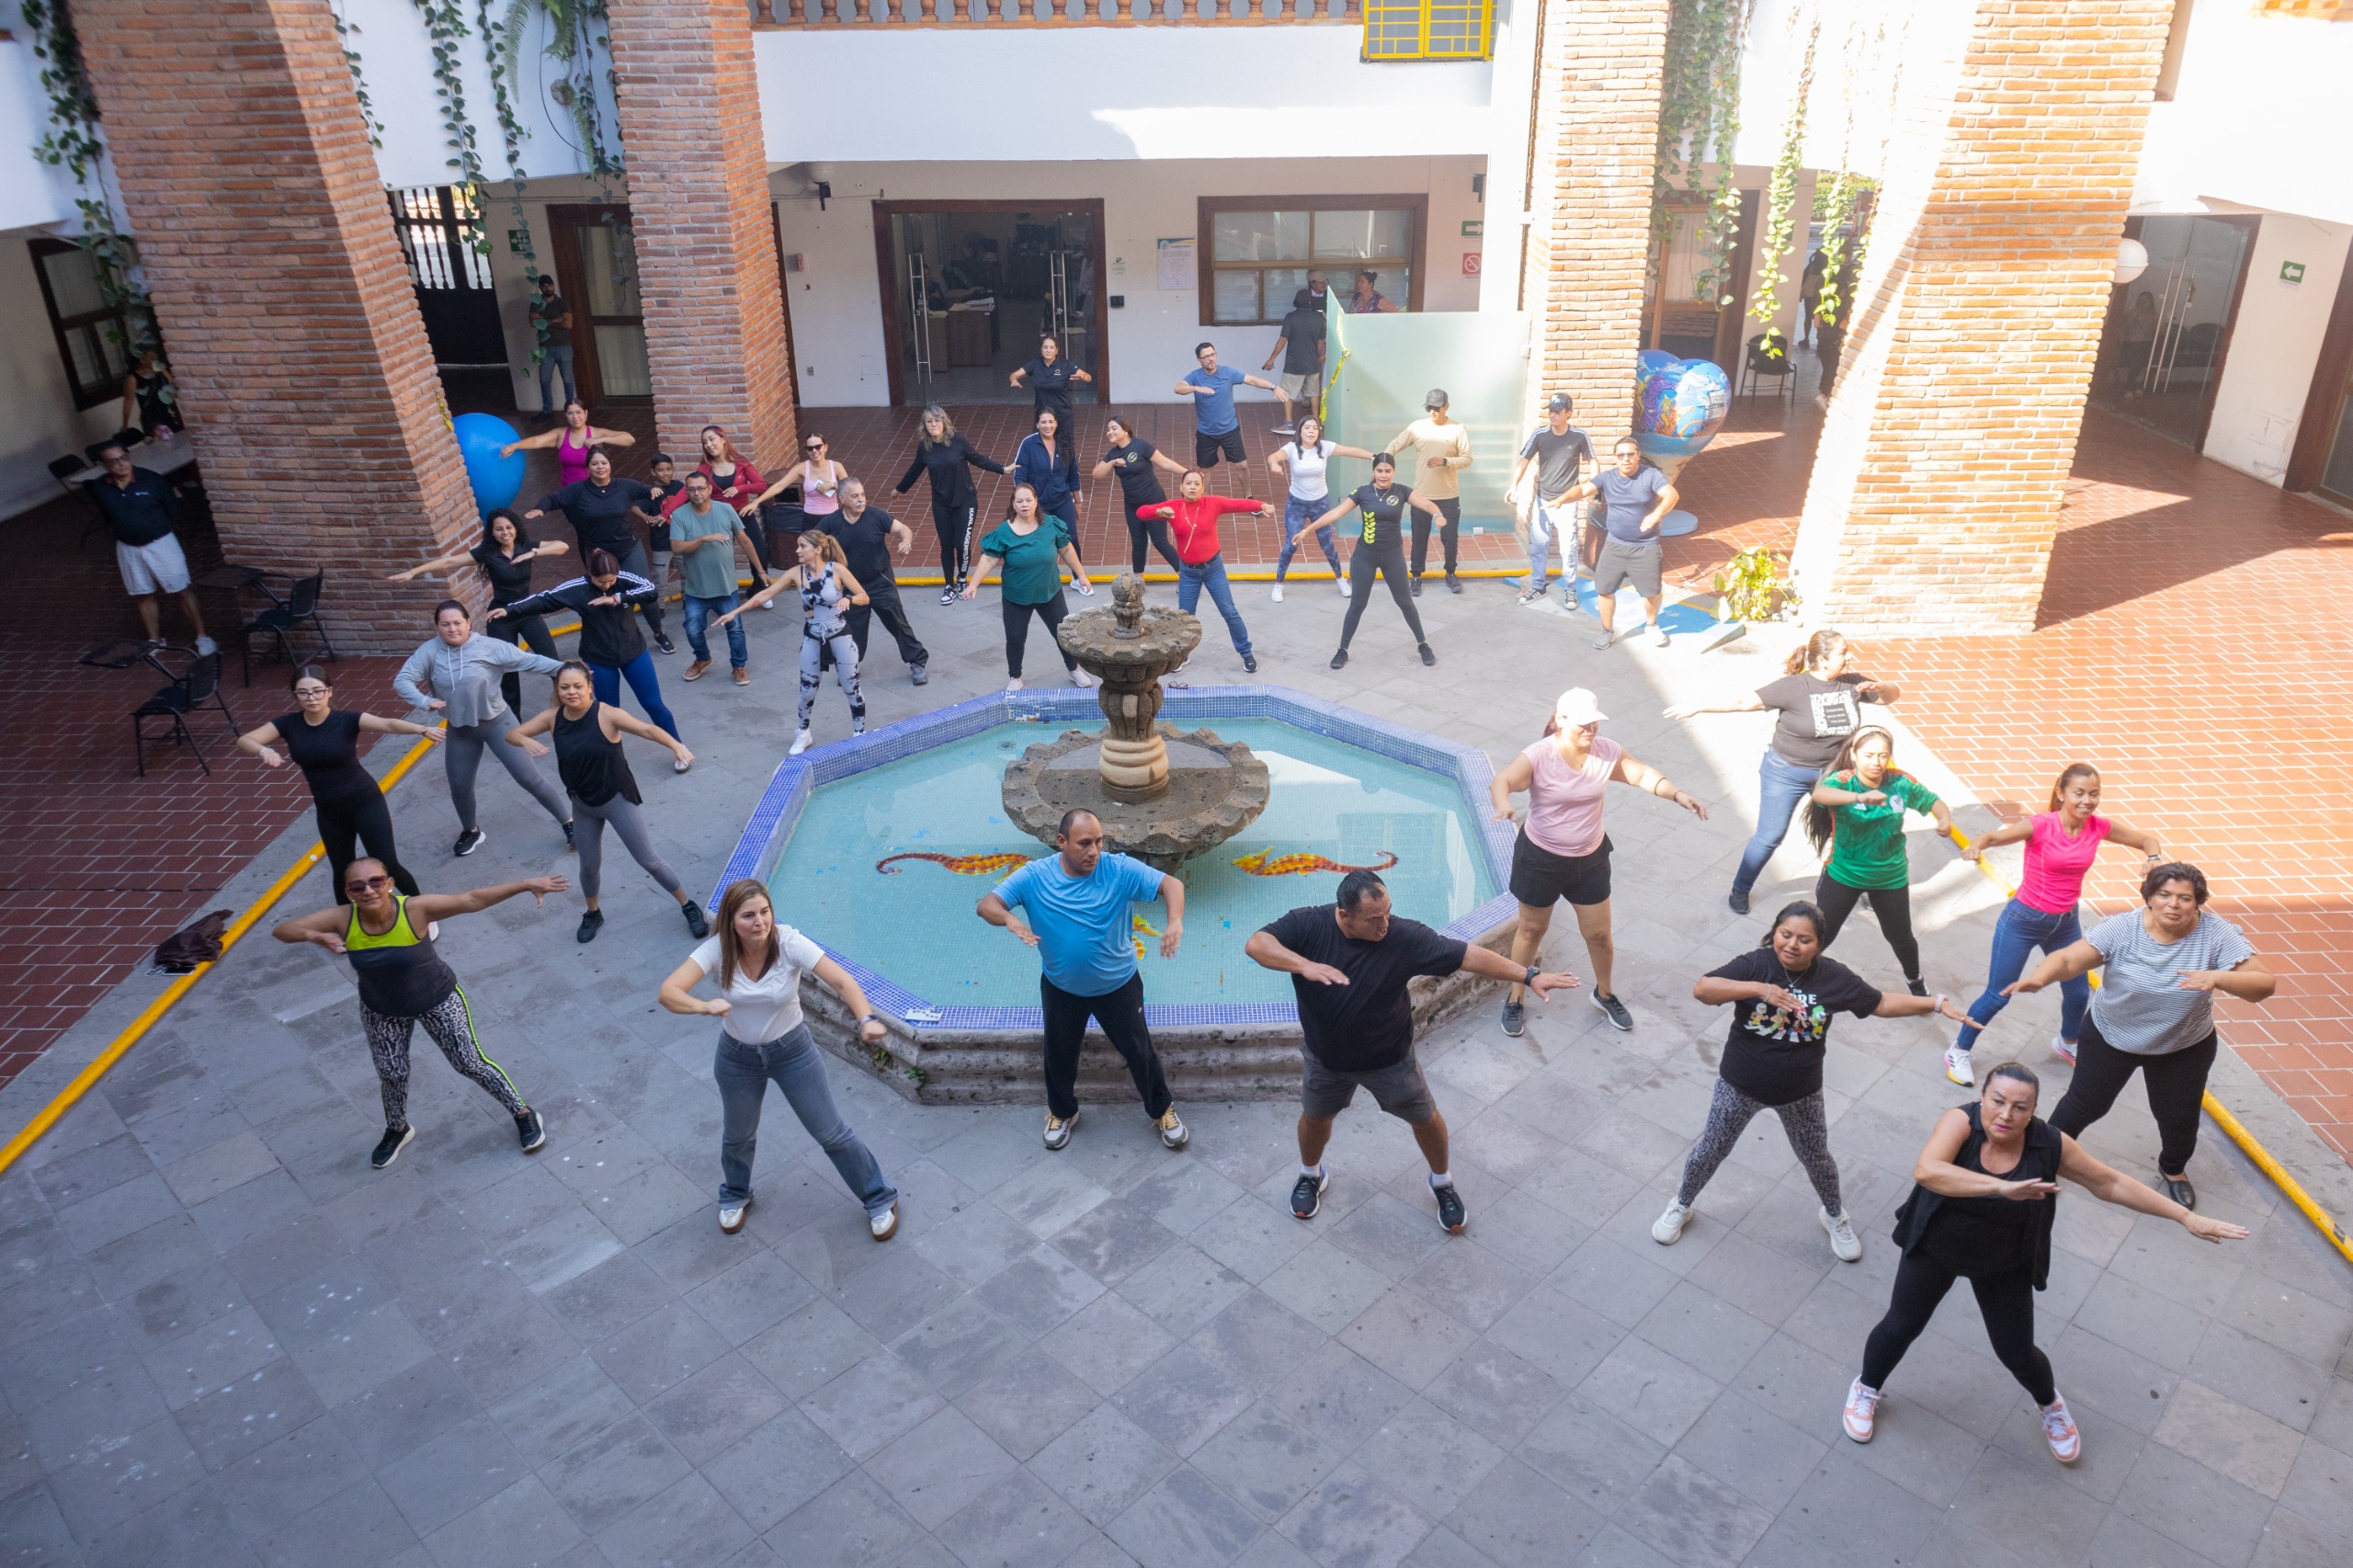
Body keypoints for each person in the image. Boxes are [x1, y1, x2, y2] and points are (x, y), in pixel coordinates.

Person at [1844, 1062, 2247, 1460]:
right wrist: (2000, 1188)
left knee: (2017, 1352)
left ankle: (2050, 1406)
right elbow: (1928, 1171)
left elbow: (2109, 1183)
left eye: (2020, 1107)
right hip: (1936, 1248)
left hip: (2004, 1263)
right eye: (1998, 1101)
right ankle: (1866, 1388)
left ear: (2033, 1111)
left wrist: (2184, 1217)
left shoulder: (2050, 1144)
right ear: (1982, 1097)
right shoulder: (1960, 1123)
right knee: (1900, 1327)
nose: (2006, 1114)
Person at [1245, 869, 1579, 1233]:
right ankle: (1311, 1175)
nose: (1384, 924)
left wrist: (1529, 976)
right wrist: (1304, 965)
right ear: (1344, 915)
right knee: (1315, 1118)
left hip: (1390, 1060)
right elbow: (1257, 945)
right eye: (1374, 919)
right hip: (1326, 1060)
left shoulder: (1403, 937)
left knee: (1425, 1119)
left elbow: (1468, 956)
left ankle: (1442, 1182)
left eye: (1388, 912)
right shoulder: (1309, 926)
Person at [1656, 903, 1972, 1261]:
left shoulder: (1834, 978)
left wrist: (1935, 1004)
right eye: (1785, 934)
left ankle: (1834, 1215)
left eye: (1804, 940)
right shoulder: (1756, 964)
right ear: (1775, 932)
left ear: (1819, 944)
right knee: (1711, 1149)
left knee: (1816, 1158)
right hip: (1739, 1084)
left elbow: (1880, 1002)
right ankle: (1681, 1204)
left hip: (1801, 1092)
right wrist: (1760, 990)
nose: (1792, 945)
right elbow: (1703, 989)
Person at [2009, 863, 2274, 1210]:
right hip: (2111, 1036)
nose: (2173, 904)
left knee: (2178, 1117)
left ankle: (2173, 1169)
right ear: (2149, 896)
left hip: (2182, 1045)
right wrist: (2041, 976)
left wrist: (2218, 978)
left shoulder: (2217, 934)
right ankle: (2043, 1160)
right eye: (2164, 894)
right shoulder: (2123, 928)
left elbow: (2263, 985)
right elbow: (2070, 959)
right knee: (2084, 1105)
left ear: (2198, 902)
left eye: (2185, 898)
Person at [274, 859, 563, 1166]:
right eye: (358, 886)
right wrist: (316, 936)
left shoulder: (415, 909)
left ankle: (523, 1113)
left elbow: (471, 899)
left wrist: (524, 884)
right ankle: (397, 1129)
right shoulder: (342, 918)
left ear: (389, 884)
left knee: (469, 1063)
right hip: (381, 1009)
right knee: (392, 1074)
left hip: (437, 999)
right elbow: (282, 930)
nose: (368, 890)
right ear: (348, 892)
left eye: (376, 882)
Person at [658, 879, 901, 1238]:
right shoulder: (718, 949)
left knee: (830, 1132)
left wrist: (866, 1019)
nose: (759, 922)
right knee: (738, 1136)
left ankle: (879, 1197)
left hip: (793, 1052)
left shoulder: (788, 943)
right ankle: (735, 1194)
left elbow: (842, 981)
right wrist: (702, 1006)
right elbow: (668, 992)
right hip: (737, 1058)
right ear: (730, 920)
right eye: (748, 916)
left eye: (765, 912)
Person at [1489, 688, 1708, 1037]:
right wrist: (1503, 805)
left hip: (1589, 860)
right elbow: (1503, 780)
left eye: (1594, 722)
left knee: (1600, 935)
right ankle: (1516, 996)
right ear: (1561, 720)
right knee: (1531, 930)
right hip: (1540, 859)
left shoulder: (1606, 752)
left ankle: (1604, 993)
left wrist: (1678, 794)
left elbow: (1641, 774)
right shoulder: (1539, 756)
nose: (1590, 729)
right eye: (1582, 724)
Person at [977, 809, 1191, 1153]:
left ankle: (1161, 1109)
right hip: (1062, 988)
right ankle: (1062, 1112)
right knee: (1059, 1055)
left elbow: (1171, 884)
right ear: (1062, 842)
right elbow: (988, 904)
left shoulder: (1118, 869)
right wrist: (1009, 919)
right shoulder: (1034, 876)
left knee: (1140, 1052)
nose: (1094, 851)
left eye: (1099, 841)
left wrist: (1175, 921)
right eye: (1085, 843)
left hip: (1119, 986)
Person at [1665, 629, 1902, 915]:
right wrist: (1698, 706)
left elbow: (1891, 697)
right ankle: (1740, 889)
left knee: (1854, 829)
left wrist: (1883, 686)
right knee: (1770, 835)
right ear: (1823, 660)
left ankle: (1854, 885)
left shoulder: (1852, 683)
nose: (1850, 657)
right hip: (1786, 772)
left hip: (1832, 774)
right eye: (1843, 652)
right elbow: (1743, 702)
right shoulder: (1793, 687)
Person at [1953, 765, 2167, 1074]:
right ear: (2061, 793)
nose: (2087, 801)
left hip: (2065, 923)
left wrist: (2153, 858)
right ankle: (1959, 1049)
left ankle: (2067, 1042)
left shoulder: (2098, 827)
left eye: (2094, 794)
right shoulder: (2041, 826)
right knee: (1998, 995)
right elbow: (1993, 836)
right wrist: (1976, 845)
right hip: (2023, 921)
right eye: (2079, 793)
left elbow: (2148, 840)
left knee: (2078, 992)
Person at [505, 661, 706, 944]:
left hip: (617, 798)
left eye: (578, 686)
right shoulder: (552, 718)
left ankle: (688, 905)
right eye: (565, 687)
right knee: (588, 865)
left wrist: (676, 745)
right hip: (583, 804)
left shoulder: (607, 715)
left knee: (648, 860)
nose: (571, 692)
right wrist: (525, 742)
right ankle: (593, 913)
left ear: (590, 687)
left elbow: (648, 730)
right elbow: (511, 734)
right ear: (557, 690)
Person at [238, 665, 437, 898]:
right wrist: (264, 750)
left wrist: (422, 729)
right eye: (303, 693)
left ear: (329, 691)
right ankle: (348, 919)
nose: (311, 698)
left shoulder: (346, 720)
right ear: (295, 695)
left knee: (387, 864)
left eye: (317, 691)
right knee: (343, 873)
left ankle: (421, 907)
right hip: (329, 811)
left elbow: (388, 724)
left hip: (365, 802)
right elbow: (245, 740)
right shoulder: (288, 724)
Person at [392, 600, 572, 857]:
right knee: (460, 786)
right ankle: (471, 831)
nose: (452, 629)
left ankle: (568, 823)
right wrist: (423, 701)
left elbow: (531, 661)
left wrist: (568, 669)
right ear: (437, 627)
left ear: (468, 623)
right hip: (461, 730)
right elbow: (403, 680)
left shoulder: (490, 647)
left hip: (499, 724)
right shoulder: (430, 651)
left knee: (529, 778)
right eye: (445, 624)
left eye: (457, 623)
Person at [1802, 726, 1954, 1006]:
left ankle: (1914, 979)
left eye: (1883, 755)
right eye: (1869, 755)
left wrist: (1944, 819)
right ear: (1854, 754)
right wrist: (1859, 797)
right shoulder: (1843, 781)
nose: (1876, 762)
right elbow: (1820, 795)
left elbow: (1934, 802)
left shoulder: (1900, 782)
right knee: (1820, 934)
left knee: (1901, 938)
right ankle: (1797, 978)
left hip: (1889, 878)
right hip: (1843, 874)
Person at [388, 510, 570, 719]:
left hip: (528, 613)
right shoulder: (487, 553)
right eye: (499, 529)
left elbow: (562, 546)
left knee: (553, 663)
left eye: (509, 528)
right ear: (492, 532)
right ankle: (513, 722)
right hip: (500, 618)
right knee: (507, 673)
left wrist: (533, 553)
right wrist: (414, 572)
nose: (505, 533)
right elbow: (449, 562)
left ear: (516, 528)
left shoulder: (526, 546)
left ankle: (569, 710)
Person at [494, 547, 683, 744]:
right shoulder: (577, 588)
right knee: (608, 713)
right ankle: (613, 755)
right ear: (590, 574)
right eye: (601, 582)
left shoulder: (624, 579)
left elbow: (650, 590)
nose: (607, 585)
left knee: (654, 704)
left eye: (611, 581)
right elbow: (543, 599)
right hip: (599, 659)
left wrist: (616, 598)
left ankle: (678, 745)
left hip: (634, 653)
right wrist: (510, 610)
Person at [717, 532, 871, 755]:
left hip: (840, 635)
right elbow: (766, 594)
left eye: (802, 546)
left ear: (817, 549)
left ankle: (859, 733)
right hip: (813, 636)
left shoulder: (836, 570)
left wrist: (849, 599)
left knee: (851, 687)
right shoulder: (795, 574)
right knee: (807, 691)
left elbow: (864, 597)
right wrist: (735, 612)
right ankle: (803, 732)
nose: (797, 550)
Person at [522, 446, 671, 652]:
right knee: (603, 596)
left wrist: (652, 490)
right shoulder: (578, 490)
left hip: (628, 547)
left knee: (645, 591)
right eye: (595, 464)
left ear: (610, 465)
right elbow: (553, 499)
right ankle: (615, 638)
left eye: (604, 463)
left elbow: (646, 489)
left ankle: (659, 633)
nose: (600, 467)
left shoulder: (624, 486)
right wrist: (540, 508)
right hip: (597, 554)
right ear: (588, 467)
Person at [1302, 452, 1440, 670]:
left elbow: (1427, 504)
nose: (1383, 475)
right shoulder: (1362, 492)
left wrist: (1438, 515)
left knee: (1405, 602)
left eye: (1388, 471)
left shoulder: (1402, 491)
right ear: (1373, 471)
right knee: (1357, 604)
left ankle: (1423, 645)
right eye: (1379, 471)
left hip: (1393, 557)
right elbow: (1336, 513)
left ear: (1394, 471)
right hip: (1364, 557)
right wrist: (1308, 529)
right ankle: (1342, 649)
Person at [962, 482, 1097, 692]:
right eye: (1019, 501)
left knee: (1064, 633)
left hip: (1049, 591)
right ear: (1013, 505)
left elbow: (1066, 550)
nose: (1024, 504)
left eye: (1028, 500)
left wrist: (1082, 576)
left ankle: (1073, 669)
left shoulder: (1051, 524)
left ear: (1036, 502)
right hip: (1017, 596)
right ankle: (1015, 676)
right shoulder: (1004, 532)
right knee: (1015, 638)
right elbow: (988, 559)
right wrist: (973, 585)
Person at [90, 443, 213, 653]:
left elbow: (173, 510)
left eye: (124, 457)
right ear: (104, 466)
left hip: (160, 543)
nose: (121, 464)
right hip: (128, 548)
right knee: (142, 594)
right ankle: (155, 641)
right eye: (114, 461)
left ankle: (202, 636)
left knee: (182, 589)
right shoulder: (100, 487)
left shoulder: (152, 480)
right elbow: (106, 516)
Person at [1142, 472, 1267, 674]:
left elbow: (1237, 504)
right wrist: (1159, 512)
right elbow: (1141, 512)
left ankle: (1246, 653)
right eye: (1188, 483)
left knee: (1229, 611)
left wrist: (1261, 505)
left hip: (1213, 569)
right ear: (1181, 487)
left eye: (1196, 484)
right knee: (1184, 616)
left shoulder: (1212, 503)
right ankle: (1183, 655)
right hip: (1188, 573)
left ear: (1203, 488)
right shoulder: (1173, 507)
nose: (1192, 487)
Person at [1556, 437, 1677, 648]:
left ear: (1638, 455)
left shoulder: (1650, 475)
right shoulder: (1607, 478)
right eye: (1621, 455)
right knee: (1604, 590)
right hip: (1614, 546)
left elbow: (1671, 495)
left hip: (1645, 547)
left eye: (1630, 454)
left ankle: (1651, 625)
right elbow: (1582, 490)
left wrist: (1656, 514)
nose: (1626, 459)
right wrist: (1561, 499)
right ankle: (1607, 631)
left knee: (1652, 592)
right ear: (1615, 458)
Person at [815, 478, 928, 687]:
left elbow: (903, 529)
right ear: (841, 499)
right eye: (855, 496)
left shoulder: (876, 515)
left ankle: (917, 661)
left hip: (880, 582)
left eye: (862, 495)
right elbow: (811, 543)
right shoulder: (831, 522)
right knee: (853, 631)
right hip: (851, 589)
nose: (861, 500)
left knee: (898, 623)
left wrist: (906, 541)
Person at [896, 406, 1006, 604]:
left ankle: (962, 578)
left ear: (944, 422)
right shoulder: (924, 447)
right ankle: (949, 585)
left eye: (937, 420)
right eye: (929, 421)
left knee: (962, 544)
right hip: (941, 503)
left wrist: (1002, 469)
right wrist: (899, 489)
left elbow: (978, 459)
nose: (934, 424)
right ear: (924, 425)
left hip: (965, 501)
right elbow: (915, 470)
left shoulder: (958, 441)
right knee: (946, 545)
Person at [1267, 415, 1373, 602]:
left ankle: (1340, 579)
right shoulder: (1292, 448)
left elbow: (1350, 451)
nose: (1311, 431)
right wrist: (1274, 464)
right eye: (1307, 427)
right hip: (1296, 504)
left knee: (1328, 546)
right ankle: (1278, 584)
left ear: (1319, 432)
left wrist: (1374, 457)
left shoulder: (1324, 447)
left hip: (1320, 504)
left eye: (1315, 428)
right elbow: (1274, 456)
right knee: (1290, 545)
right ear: (1300, 431)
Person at [667, 472, 755, 687]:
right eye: (691, 489)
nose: (696, 493)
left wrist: (760, 572)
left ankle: (738, 666)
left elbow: (744, 539)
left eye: (700, 488)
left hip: (726, 586)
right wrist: (704, 538)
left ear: (709, 489)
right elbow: (677, 547)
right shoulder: (679, 515)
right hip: (696, 589)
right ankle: (703, 658)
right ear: (687, 492)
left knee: (735, 629)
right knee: (692, 629)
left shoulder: (726, 509)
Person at [1384, 389, 1474, 596]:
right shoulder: (1417, 427)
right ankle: (1416, 576)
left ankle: (1450, 573)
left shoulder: (1458, 428)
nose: (1433, 411)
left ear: (1446, 407)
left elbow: (1467, 458)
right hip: (1422, 495)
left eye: (1437, 408)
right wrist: (1383, 464)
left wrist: (1446, 461)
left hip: (1448, 495)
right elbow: (1395, 445)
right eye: (1429, 408)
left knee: (1450, 538)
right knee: (1419, 538)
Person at [1508, 393, 1594, 604]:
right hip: (1543, 500)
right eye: (1551, 411)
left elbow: (1593, 461)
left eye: (1557, 411)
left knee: (1568, 548)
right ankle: (1538, 586)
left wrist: (1594, 485)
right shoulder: (1540, 435)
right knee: (1539, 545)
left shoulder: (1579, 436)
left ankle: (1570, 589)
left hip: (1567, 502)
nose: (1552, 415)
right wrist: (1513, 486)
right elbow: (1524, 461)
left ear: (1569, 413)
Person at [1176, 341, 1290, 486]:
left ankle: (1248, 496)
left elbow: (1252, 380)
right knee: (1205, 470)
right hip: (1206, 433)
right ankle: (1204, 500)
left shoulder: (1228, 373)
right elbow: (1178, 388)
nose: (1211, 359)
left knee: (1242, 465)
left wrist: (1273, 387)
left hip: (1229, 430)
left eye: (1213, 354)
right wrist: (1196, 388)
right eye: (1206, 357)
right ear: (1199, 360)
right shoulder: (1195, 376)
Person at [1094, 415, 1188, 576]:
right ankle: (1138, 582)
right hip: (1132, 505)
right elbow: (1096, 474)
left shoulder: (1141, 446)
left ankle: (1186, 578)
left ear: (1126, 430)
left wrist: (1188, 473)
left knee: (1160, 542)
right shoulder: (1113, 454)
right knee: (1138, 543)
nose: (1110, 432)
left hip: (1154, 502)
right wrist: (1112, 463)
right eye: (1108, 430)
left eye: (1114, 428)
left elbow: (1165, 463)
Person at [689, 425, 775, 600]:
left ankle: (760, 591)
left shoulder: (741, 463)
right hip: (718, 518)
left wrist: (740, 488)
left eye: (712, 439)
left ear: (723, 439)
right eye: (704, 442)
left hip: (743, 514)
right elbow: (688, 492)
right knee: (720, 557)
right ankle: (722, 594)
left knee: (759, 552)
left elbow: (761, 485)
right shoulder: (704, 468)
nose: (708, 444)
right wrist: (667, 513)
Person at [501, 397, 633, 487]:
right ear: (566, 416)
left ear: (586, 414)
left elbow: (629, 439)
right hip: (569, 491)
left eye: (579, 412)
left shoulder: (595, 433)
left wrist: (600, 439)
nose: (575, 417)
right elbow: (537, 441)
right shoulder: (560, 434)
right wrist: (515, 446)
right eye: (570, 413)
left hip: (594, 489)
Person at [753, 431, 845, 543]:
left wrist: (833, 485)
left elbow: (848, 488)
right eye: (810, 448)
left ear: (825, 447)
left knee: (834, 550)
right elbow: (779, 486)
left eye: (818, 446)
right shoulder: (801, 468)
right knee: (811, 550)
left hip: (832, 516)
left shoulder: (836, 466)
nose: (814, 450)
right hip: (811, 518)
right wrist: (756, 501)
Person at [1012, 408, 1085, 536]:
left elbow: (1074, 475)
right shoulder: (1028, 444)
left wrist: (1078, 503)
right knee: (1041, 541)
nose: (1047, 426)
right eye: (1043, 422)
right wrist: (1025, 502)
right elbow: (1020, 476)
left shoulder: (1065, 443)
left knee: (1071, 538)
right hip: (1038, 503)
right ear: (1037, 425)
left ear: (1056, 423)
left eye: (1051, 422)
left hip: (1063, 500)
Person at [1261, 288, 1327, 416]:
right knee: (1314, 394)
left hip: (1294, 364)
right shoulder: (1318, 319)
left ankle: (1289, 423)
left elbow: (1282, 340)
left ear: (1296, 301)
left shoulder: (1290, 318)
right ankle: (1315, 420)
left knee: (1287, 393)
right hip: (1312, 364)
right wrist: (1316, 357)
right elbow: (1320, 342)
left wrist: (1271, 358)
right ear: (1310, 302)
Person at [1010, 335, 1094, 428]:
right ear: (1041, 350)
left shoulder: (1065, 365)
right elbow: (1014, 374)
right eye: (1045, 347)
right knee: (1040, 438)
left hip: (1062, 414)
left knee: (1064, 438)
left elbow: (1088, 377)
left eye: (1051, 347)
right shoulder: (1035, 363)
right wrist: (1014, 380)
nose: (1048, 350)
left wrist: (1083, 377)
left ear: (1056, 350)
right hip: (1042, 415)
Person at [529, 276, 575, 412]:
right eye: (544, 286)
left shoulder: (562, 303)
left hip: (563, 346)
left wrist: (544, 320)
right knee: (544, 380)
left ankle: (571, 410)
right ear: (540, 287)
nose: (547, 288)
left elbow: (568, 324)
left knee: (568, 380)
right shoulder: (536, 304)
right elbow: (532, 323)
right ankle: (547, 411)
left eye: (550, 285)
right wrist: (556, 320)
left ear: (553, 285)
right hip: (545, 348)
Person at [121, 347, 178, 437]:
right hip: (152, 419)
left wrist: (173, 393)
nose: (155, 360)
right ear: (142, 360)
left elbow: (174, 386)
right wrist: (125, 425)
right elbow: (128, 402)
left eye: (155, 357)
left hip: (169, 413)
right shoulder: (132, 378)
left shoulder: (161, 370)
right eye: (151, 358)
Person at [1797, 250, 1825, 349]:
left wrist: (1800, 293)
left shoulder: (1812, 266)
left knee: (1808, 318)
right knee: (1820, 318)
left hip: (1809, 295)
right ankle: (1820, 342)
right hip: (1821, 297)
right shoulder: (1827, 268)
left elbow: (1804, 278)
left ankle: (1806, 339)